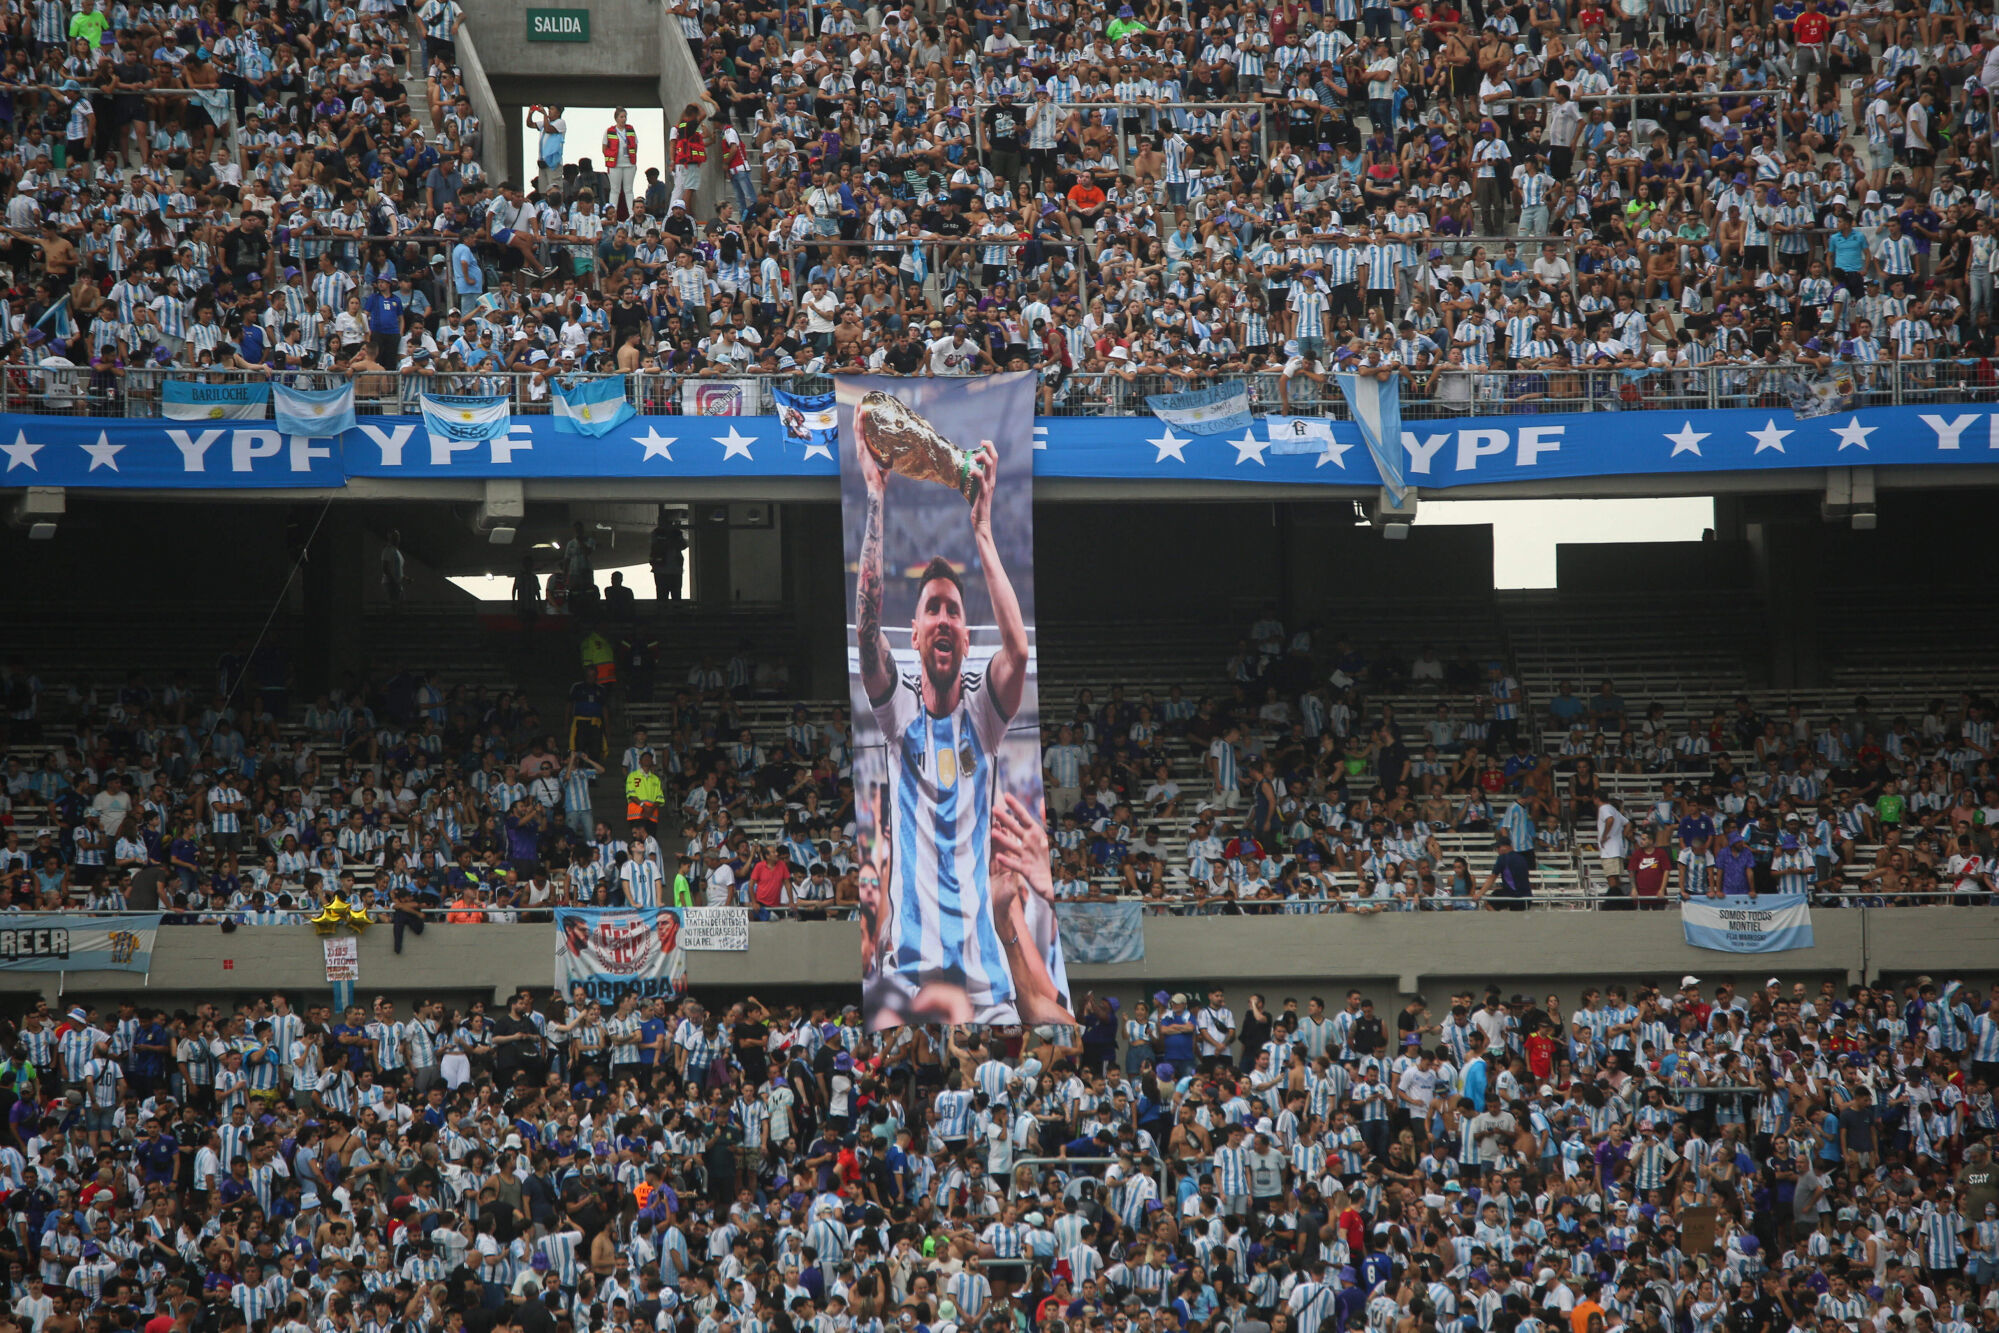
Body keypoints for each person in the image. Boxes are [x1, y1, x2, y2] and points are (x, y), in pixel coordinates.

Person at [853, 400, 1063, 1028]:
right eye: (932, 611)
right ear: (914, 634)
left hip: (989, 990)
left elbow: (1020, 649)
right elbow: (866, 635)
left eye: (952, 612)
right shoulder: (897, 719)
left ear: (966, 637)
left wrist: (981, 530)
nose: (943, 619)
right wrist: (875, 497)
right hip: (906, 985)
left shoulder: (985, 718)